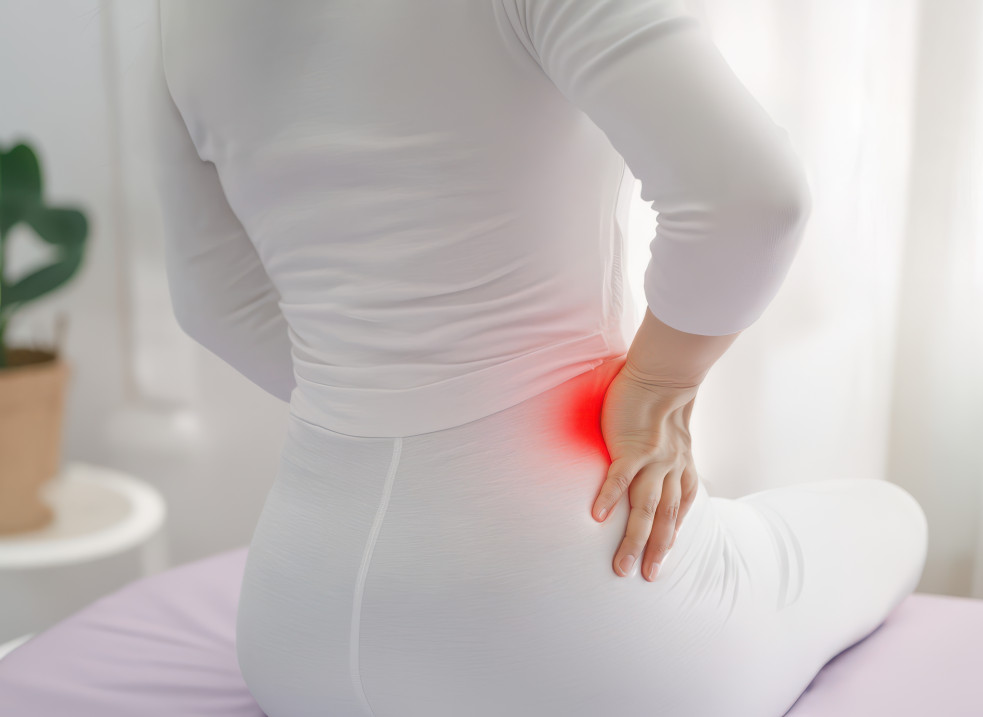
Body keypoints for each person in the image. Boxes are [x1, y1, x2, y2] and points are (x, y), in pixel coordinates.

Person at [150, 1, 928, 715]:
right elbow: (752, 196)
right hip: (581, 636)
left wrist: (382, 406)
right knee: (893, 516)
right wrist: (658, 387)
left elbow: (212, 302)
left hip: (297, 633)